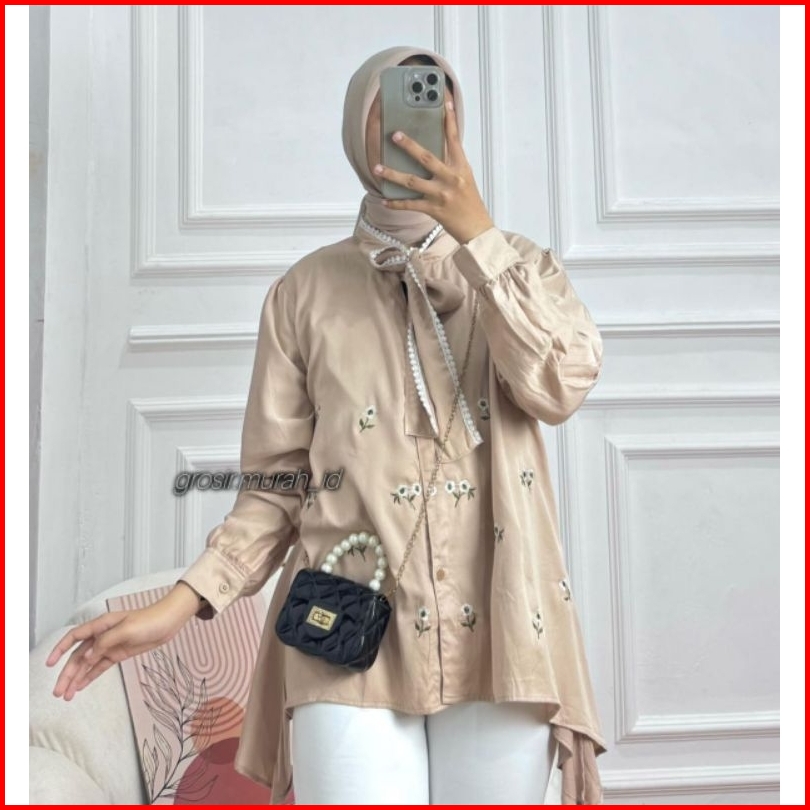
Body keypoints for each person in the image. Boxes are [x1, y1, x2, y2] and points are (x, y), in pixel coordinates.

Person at [46, 45, 607, 804]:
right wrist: (183, 603)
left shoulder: (522, 270)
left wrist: (479, 237)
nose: (417, 124)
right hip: (343, 620)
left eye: (436, 103)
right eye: (395, 104)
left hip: (502, 622)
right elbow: (276, 486)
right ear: (356, 130)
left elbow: (561, 384)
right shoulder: (303, 293)